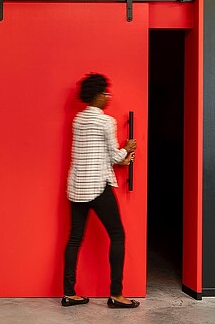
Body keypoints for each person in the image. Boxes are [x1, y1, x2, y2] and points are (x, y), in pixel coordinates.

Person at [61, 73, 139, 309]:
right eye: (105, 93)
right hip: (97, 186)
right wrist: (127, 148)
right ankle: (116, 295)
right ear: (96, 95)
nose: (108, 97)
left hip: (76, 186)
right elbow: (114, 156)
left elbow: (95, 153)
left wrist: (119, 158)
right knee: (117, 236)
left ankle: (68, 293)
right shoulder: (106, 121)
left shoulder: (78, 120)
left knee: (75, 239)